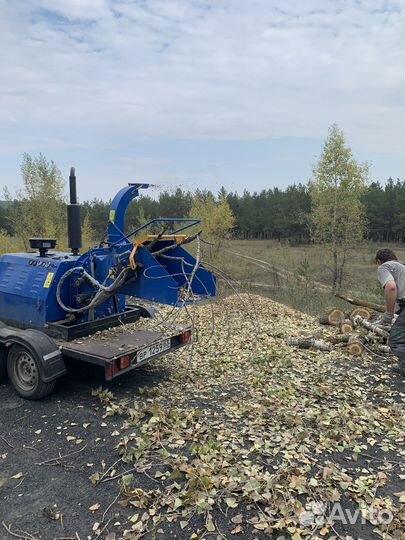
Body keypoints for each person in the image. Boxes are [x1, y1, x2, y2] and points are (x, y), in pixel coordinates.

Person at [375, 248, 405, 374]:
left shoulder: (384, 267)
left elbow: (391, 287)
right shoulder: (402, 266)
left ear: (378, 261)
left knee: (396, 340)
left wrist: (389, 314)